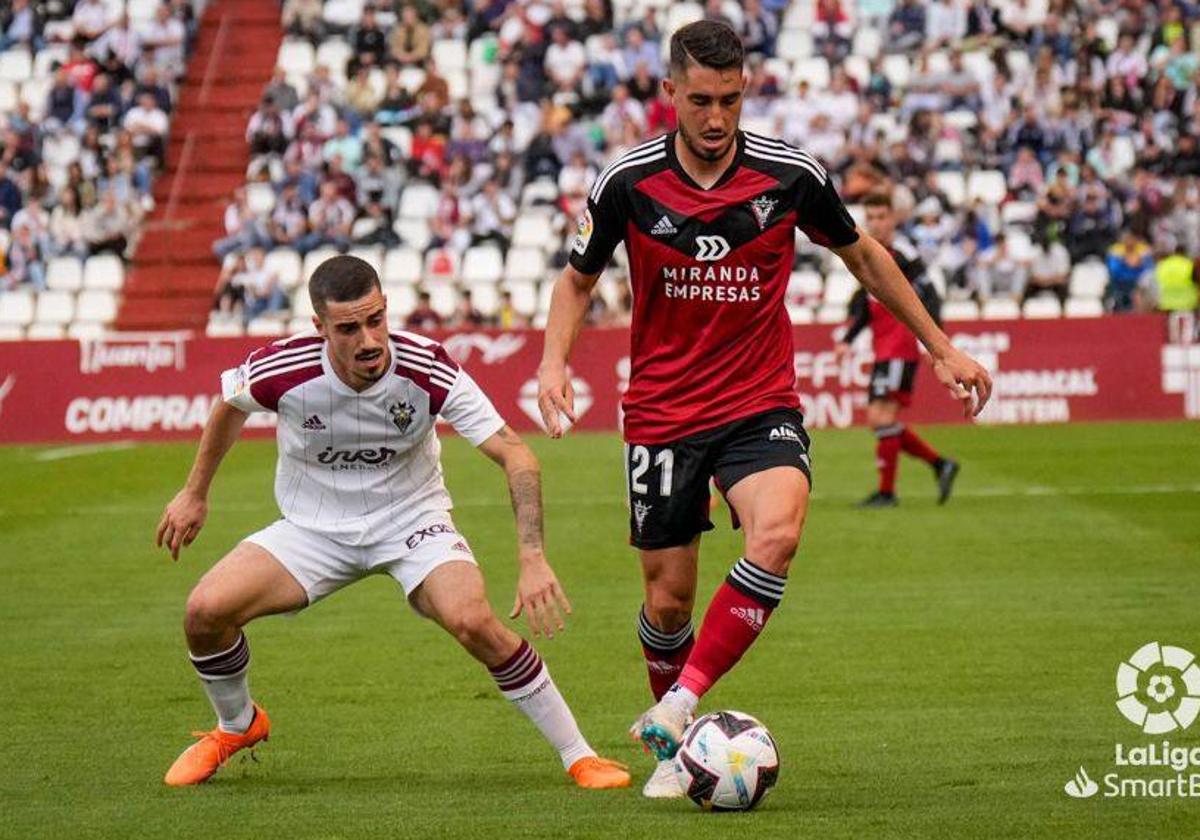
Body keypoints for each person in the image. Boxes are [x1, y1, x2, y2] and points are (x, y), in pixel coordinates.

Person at [537, 21, 991, 798]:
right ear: (670, 93)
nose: (716, 119)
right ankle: (672, 745)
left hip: (759, 400)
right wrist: (553, 361)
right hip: (663, 413)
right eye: (701, 101)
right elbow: (579, 278)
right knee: (667, 599)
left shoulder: (790, 174)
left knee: (778, 531)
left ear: (746, 91)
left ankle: (681, 707)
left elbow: (863, 257)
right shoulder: (628, 182)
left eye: (731, 100)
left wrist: (940, 347)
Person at [155, 256, 629, 791]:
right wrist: (195, 493)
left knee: (473, 620)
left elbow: (517, 456)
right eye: (349, 328)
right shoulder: (283, 368)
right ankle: (236, 726)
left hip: (412, 523)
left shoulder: (427, 367)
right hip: (314, 529)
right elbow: (229, 405)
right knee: (203, 613)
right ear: (320, 329)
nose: (369, 340)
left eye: (376, 319)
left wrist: (532, 556)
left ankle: (579, 754)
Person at [835, 193, 958, 508]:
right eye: (870, 217)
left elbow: (930, 296)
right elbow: (866, 304)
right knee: (880, 419)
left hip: (900, 347)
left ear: (892, 219)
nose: (875, 223)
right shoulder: (868, 252)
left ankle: (888, 492)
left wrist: (937, 345)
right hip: (883, 349)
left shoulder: (903, 254)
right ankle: (939, 464)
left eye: (881, 217)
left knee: (880, 416)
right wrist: (848, 339)